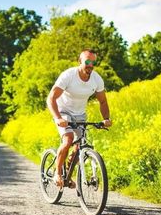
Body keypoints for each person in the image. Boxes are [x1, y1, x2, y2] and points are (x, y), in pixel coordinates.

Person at [46, 48, 112, 188]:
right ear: (80, 61)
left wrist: (106, 118)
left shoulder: (96, 79)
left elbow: (103, 101)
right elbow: (51, 98)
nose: (90, 65)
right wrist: (58, 118)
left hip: (80, 114)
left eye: (93, 62)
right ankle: (58, 173)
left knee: (80, 146)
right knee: (68, 139)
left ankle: (68, 174)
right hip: (63, 111)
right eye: (87, 61)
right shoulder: (69, 75)